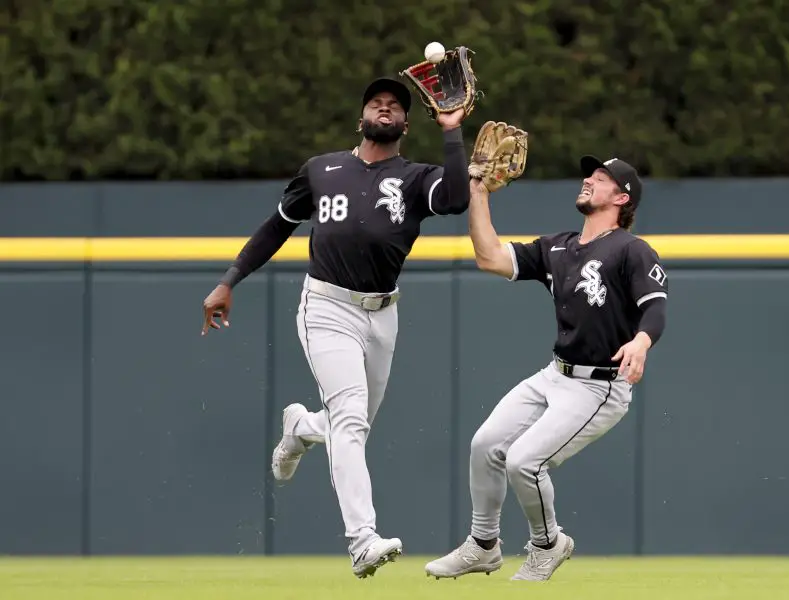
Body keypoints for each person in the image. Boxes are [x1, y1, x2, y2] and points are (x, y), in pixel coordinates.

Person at [200, 76, 471, 578]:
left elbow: (456, 197)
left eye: (394, 105)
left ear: (407, 124)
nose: (385, 108)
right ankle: (362, 539)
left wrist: (452, 130)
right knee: (350, 419)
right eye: (376, 102)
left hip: (383, 313)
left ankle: (301, 427)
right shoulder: (322, 170)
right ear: (361, 117)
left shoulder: (414, 177)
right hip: (326, 307)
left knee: (353, 424)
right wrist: (230, 278)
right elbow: (277, 226)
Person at [424, 156, 669, 581]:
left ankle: (547, 544)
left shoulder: (631, 249)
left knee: (524, 461)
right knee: (486, 445)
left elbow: (656, 307)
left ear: (622, 197)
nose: (590, 179)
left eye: (603, 178)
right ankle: (482, 545)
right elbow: (491, 258)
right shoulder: (559, 246)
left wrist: (642, 341)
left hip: (600, 388)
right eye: (590, 174)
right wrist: (478, 193)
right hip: (554, 376)